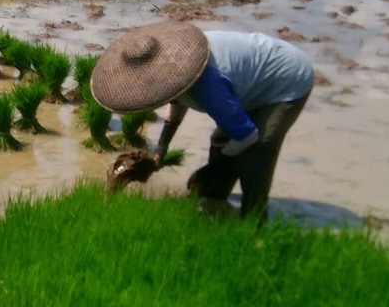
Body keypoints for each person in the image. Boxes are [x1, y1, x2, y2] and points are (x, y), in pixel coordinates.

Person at [88, 20, 315, 225]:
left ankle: (253, 227)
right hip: (248, 81)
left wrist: (208, 170)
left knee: (257, 152)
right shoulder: (174, 69)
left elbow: (248, 136)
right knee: (220, 139)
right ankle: (212, 199)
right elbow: (176, 104)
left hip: (286, 79)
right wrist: (161, 149)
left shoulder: (209, 84)